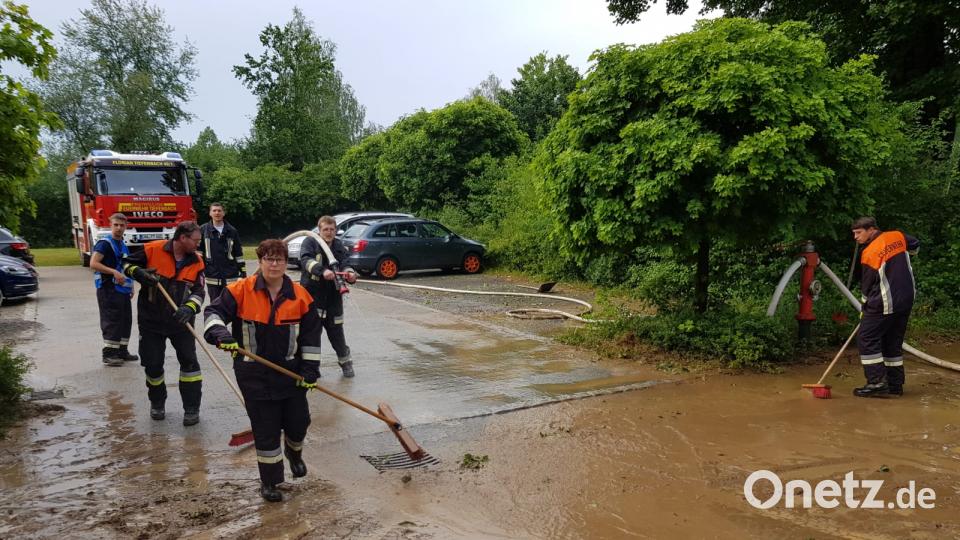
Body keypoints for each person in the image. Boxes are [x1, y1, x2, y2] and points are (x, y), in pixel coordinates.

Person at [203, 239, 321, 503]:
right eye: (269, 259)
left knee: (299, 422)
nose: (274, 264)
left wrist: (310, 370)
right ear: (260, 262)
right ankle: (270, 481)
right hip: (253, 374)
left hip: (291, 374)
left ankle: (294, 452)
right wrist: (220, 334)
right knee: (266, 429)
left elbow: (311, 338)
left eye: (279, 259)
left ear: (286, 263)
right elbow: (213, 313)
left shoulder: (301, 296)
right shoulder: (241, 291)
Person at [123, 221, 206, 425]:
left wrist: (190, 308)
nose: (198, 244)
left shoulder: (197, 261)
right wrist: (138, 273)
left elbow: (199, 291)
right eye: (196, 240)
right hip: (151, 321)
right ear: (182, 238)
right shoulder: (152, 249)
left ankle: (192, 409)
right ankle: (157, 403)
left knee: (190, 365)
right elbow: (125, 265)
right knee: (152, 365)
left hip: (182, 323)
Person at [850, 216, 920, 397]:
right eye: (854, 233)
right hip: (906, 299)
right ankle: (895, 385)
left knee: (866, 338)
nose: (856, 237)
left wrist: (864, 307)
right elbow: (914, 244)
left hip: (885, 301)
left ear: (871, 229)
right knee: (892, 342)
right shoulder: (897, 236)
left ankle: (877, 383)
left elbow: (867, 285)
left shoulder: (870, 252)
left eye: (858, 233)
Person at [299, 215, 358, 378]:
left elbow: (346, 262)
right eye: (325, 229)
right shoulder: (310, 242)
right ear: (319, 230)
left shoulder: (338, 245)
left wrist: (350, 273)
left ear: (336, 230)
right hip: (313, 297)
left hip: (333, 299)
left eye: (332, 229)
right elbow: (305, 260)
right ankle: (311, 369)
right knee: (311, 336)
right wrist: (322, 271)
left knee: (337, 334)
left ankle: (346, 363)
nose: (329, 232)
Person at [89, 213, 137, 367]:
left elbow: (125, 266)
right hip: (108, 288)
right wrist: (113, 272)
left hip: (122, 290)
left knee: (125, 320)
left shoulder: (122, 244)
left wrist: (131, 286)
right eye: (116, 225)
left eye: (122, 225)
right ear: (110, 225)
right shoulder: (105, 243)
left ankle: (122, 351)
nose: (119, 228)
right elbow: (93, 263)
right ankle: (109, 354)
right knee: (112, 321)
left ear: (126, 226)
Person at [199, 202, 246, 302]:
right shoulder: (203, 230)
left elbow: (238, 254)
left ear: (224, 213)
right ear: (210, 213)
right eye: (214, 211)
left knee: (231, 303)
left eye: (219, 211)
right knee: (215, 304)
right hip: (212, 276)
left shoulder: (232, 231)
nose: (217, 213)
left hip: (231, 276)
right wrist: (200, 270)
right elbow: (199, 252)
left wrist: (243, 272)